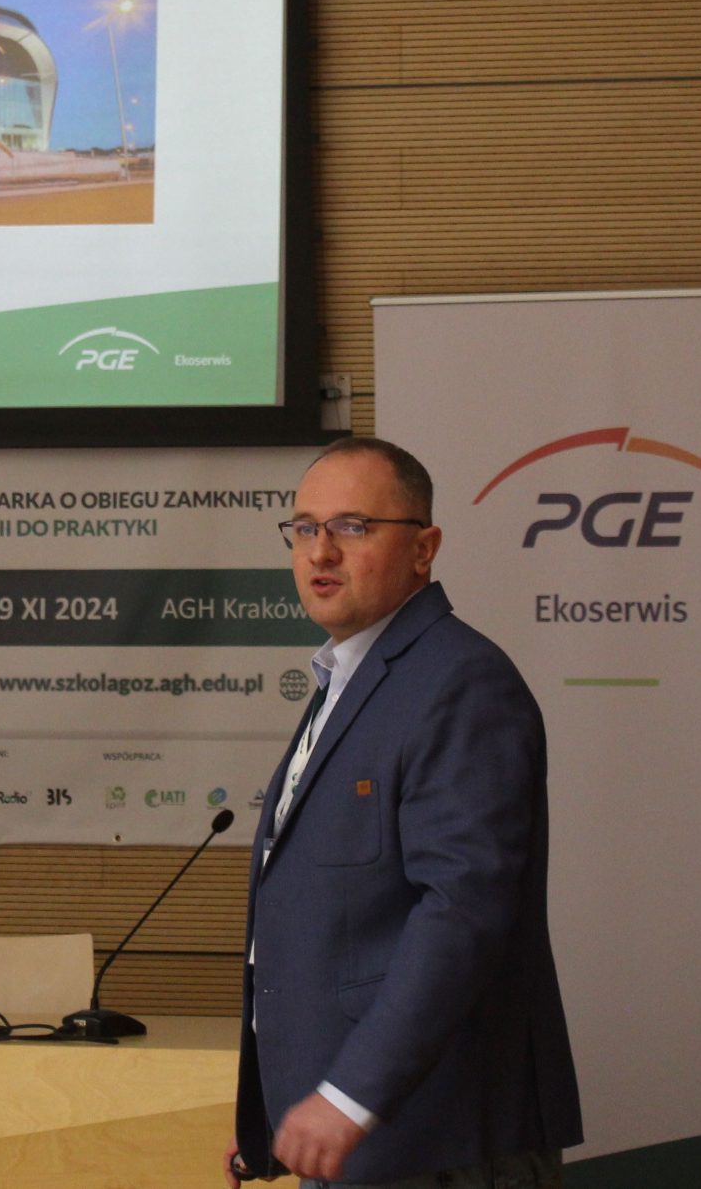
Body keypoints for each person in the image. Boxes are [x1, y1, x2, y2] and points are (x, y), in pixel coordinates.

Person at [229, 436, 582, 1187]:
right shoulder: (348, 679)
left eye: (352, 526)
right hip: (359, 1137)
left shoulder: (460, 681)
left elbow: (463, 909)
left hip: (440, 1139)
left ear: (424, 549)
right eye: (304, 527)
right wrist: (280, 1107)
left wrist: (347, 1097)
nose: (321, 551)